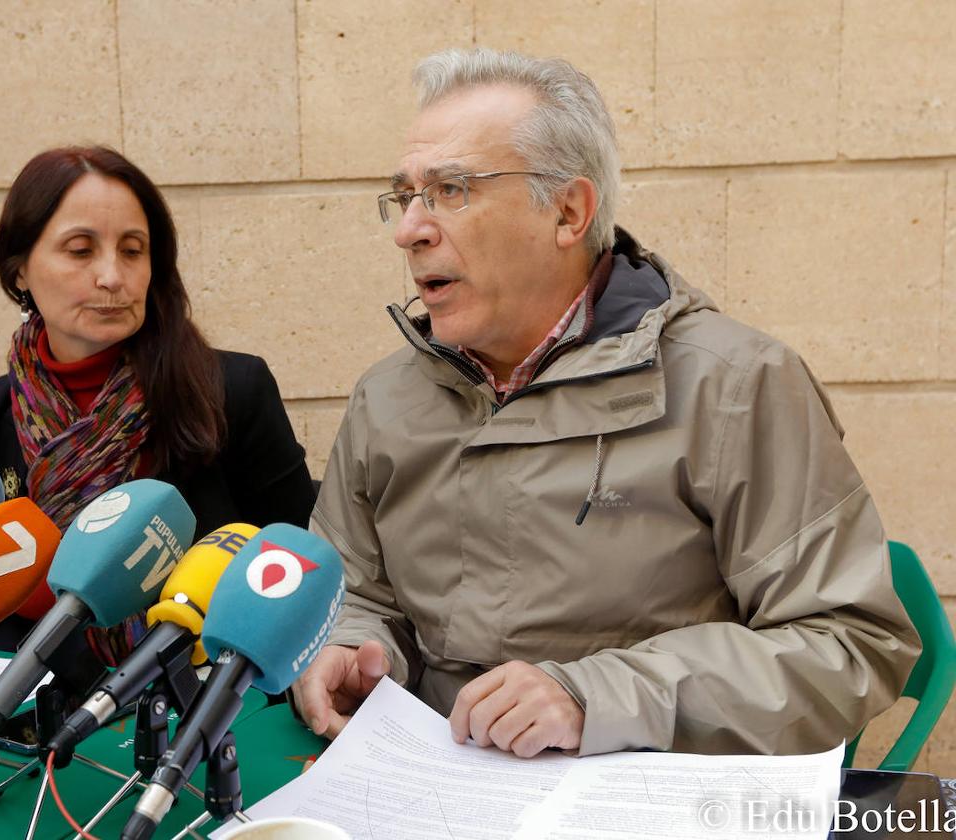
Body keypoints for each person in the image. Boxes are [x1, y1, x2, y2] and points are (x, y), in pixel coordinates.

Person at [293, 48, 920, 758]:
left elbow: (850, 644)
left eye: (452, 190)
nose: (410, 229)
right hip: (439, 787)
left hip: (650, 794)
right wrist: (349, 646)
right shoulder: (388, 398)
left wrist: (597, 698)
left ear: (568, 212)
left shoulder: (734, 385)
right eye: (404, 196)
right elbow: (356, 592)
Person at [0, 146, 315, 656]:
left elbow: (298, 561)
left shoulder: (232, 389)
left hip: (210, 702)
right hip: (41, 708)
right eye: (80, 250)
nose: (112, 277)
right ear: (19, 272)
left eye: (132, 249)